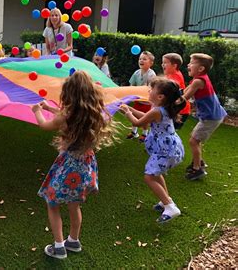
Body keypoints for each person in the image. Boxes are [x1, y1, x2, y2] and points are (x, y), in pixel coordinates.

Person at [32, 71, 117, 259]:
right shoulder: (93, 114)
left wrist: (38, 112)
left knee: (51, 202)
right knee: (74, 205)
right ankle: (73, 240)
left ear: (68, 93)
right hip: (86, 166)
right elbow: (68, 117)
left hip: (69, 165)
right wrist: (50, 108)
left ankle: (59, 247)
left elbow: (45, 125)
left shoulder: (67, 116)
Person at [121, 77, 185, 223]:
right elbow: (145, 117)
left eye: (152, 90)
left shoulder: (157, 110)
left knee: (149, 176)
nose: (149, 91)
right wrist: (129, 108)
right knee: (156, 174)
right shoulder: (162, 108)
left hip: (165, 150)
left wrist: (127, 112)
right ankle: (165, 200)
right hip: (168, 146)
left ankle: (171, 207)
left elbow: (138, 122)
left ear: (160, 96)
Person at [182, 53, 226, 181]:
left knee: (193, 141)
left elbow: (184, 97)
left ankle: (198, 169)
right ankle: (199, 161)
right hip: (212, 115)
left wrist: (170, 102)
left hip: (211, 117)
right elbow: (185, 91)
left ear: (200, 68)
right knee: (195, 138)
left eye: (191, 63)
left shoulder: (198, 81)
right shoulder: (199, 79)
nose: (188, 65)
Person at [127, 51, 156, 142]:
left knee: (145, 118)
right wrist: (131, 93)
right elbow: (132, 84)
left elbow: (151, 88)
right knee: (134, 115)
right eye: (140, 58)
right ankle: (134, 132)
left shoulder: (151, 74)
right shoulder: (136, 73)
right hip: (137, 100)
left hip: (147, 102)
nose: (141, 60)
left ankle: (144, 133)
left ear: (151, 63)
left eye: (144, 59)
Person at [162, 53, 190, 129]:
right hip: (176, 108)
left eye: (165, 63)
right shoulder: (170, 74)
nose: (162, 65)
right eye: (162, 62)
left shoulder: (176, 76)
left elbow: (169, 90)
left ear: (174, 66)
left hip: (180, 110)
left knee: (169, 130)